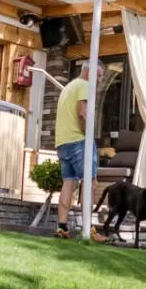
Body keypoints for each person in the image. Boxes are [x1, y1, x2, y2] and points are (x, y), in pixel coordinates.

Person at [53, 64, 101, 240]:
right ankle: (88, 230)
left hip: (63, 143)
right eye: (100, 75)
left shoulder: (68, 87)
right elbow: (82, 113)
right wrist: (88, 136)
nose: (100, 80)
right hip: (78, 141)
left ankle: (62, 227)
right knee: (90, 183)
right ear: (89, 71)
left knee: (69, 183)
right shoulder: (84, 85)